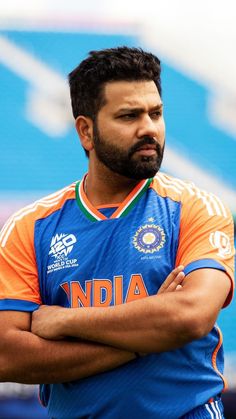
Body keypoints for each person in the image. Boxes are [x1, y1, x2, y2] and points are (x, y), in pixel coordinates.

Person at [0, 46, 234, 419]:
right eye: (129, 116)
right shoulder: (30, 227)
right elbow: (8, 355)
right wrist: (145, 338)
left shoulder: (195, 207)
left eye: (155, 113)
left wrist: (64, 320)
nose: (148, 128)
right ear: (86, 131)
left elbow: (190, 316)